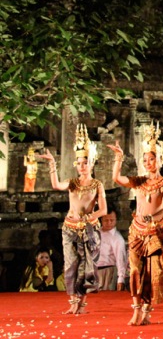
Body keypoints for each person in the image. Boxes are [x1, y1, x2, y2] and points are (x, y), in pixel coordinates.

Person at [37, 124, 107, 314]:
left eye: (85, 162)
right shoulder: (72, 183)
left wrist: (90, 217)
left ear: (92, 163)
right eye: (79, 163)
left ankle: (82, 303)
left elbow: (103, 210)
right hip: (69, 227)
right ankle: (72, 301)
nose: (82, 166)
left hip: (88, 229)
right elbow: (55, 184)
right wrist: (52, 163)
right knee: (70, 264)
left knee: (86, 267)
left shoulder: (97, 184)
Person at [107, 121, 163, 326]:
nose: (147, 162)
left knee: (152, 274)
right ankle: (136, 310)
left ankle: (146, 311)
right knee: (135, 270)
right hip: (137, 230)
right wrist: (119, 158)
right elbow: (117, 178)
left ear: (159, 159)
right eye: (145, 159)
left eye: (151, 158)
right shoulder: (139, 181)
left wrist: (153, 218)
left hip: (155, 231)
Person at [97, 207, 128, 291]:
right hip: (94, 271)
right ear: (101, 220)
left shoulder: (117, 238)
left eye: (112, 220)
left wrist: (121, 278)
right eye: (106, 220)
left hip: (109, 271)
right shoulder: (96, 233)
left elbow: (121, 259)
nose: (109, 223)